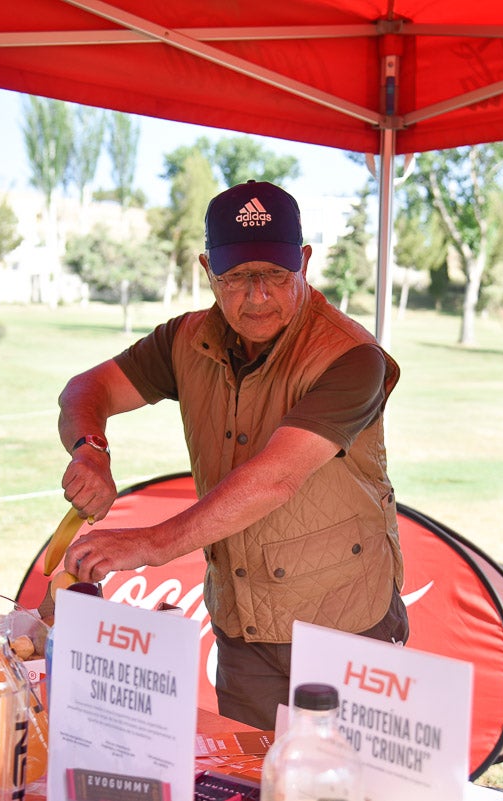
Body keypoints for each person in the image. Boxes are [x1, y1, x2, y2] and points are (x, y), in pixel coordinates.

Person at [56, 180, 408, 729]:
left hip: (343, 624)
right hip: (244, 622)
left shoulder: (350, 356)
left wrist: (150, 542)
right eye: (239, 277)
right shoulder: (186, 340)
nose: (257, 295)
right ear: (207, 270)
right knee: (247, 781)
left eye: (274, 275)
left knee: (343, 787)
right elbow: (86, 389)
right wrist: (90, 449)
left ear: (305, 264)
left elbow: (276, 479)